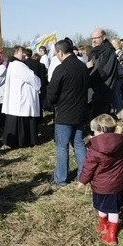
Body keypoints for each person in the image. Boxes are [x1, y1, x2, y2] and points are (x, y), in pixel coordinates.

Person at [79, 114, 123, 246]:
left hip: (100, 185)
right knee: (114, 209)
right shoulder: (122, 141)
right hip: (116, 184)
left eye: (94, 131)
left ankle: (106, 229)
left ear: (100, 131)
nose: (93, 133)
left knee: (102, 207)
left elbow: (89, 167)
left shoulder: (94, 148)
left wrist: (82, 180)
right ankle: (110, 231)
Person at [47, 39, 89, 186]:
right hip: (80, 111)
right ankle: (84, 176)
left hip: (64, 113)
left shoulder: (61, 69)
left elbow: (52, 92)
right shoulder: (82, 66)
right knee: (78, 143)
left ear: (60, 52)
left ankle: (60, 178)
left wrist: (51, 102)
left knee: (62, 146)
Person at [2, 46, 41, 148]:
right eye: (22, 52)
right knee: (22, 114)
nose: (24, 54)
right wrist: (38, 83)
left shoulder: (13, 64)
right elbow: (31, 77)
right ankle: (23, 140)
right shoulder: (18, 65)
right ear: (15, 52)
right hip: (21, 97)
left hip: (17, 96)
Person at [87, 28, 118, 117]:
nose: (93, 41)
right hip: (94, 91)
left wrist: (88, 81)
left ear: (104, 37)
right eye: (92, 38)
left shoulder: (108, 51)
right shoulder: (96, 51)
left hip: (103, 91)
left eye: (96, 38)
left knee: (100, 121)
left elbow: (103, 72)